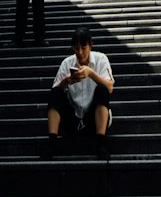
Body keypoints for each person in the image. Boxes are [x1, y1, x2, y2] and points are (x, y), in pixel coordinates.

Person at [45, 27, 114, 158]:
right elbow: (55, 92)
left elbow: (110, 88)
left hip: (93, 120)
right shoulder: (67, 63)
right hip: (72, 119)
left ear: (90, 45)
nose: (80, 52)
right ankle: (51, 144)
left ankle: (101, 144)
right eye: (77, 48)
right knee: (56, 92)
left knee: (102, 89)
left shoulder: (101, 59)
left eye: (84, 47)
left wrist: (92, 73)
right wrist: (67, 81)